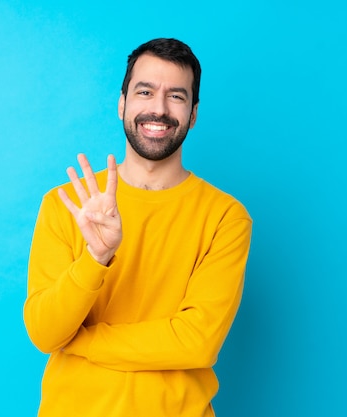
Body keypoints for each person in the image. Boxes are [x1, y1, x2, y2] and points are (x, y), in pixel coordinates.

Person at [24, 38, 252, 417]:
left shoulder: (225, 217)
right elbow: (46, 334)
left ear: (193, 114)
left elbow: (195, 343)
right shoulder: (67, 204)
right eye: (145, 91)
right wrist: (95, 258)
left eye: (176, 96)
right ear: (122, 103)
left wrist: (83, 341)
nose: (158, 109)